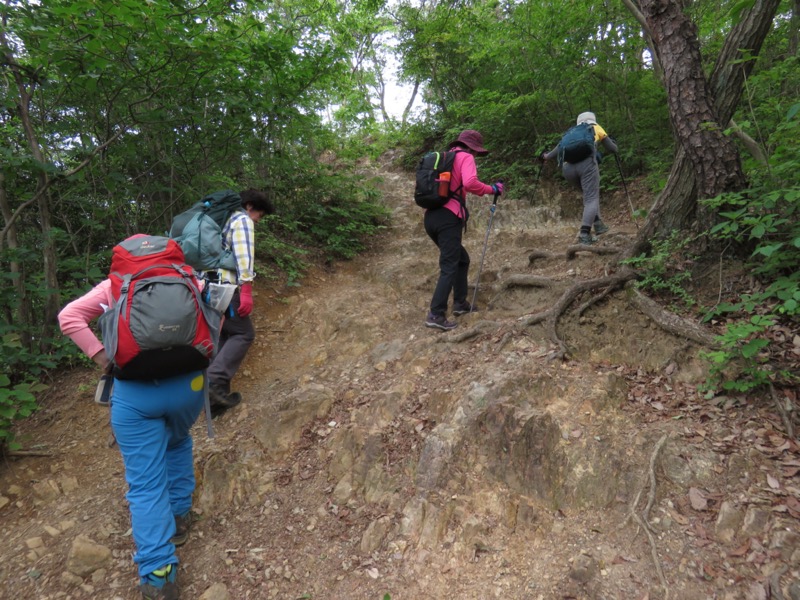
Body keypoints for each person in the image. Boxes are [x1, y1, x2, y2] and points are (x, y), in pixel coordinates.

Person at [59, 279, 204, 600]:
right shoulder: (185, 277)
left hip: (136, 393)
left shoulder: (114, 286)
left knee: (146, 483)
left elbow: (69, 317)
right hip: (189, 385)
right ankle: (179, 517)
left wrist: (103, 358)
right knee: (178, 440)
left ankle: (159, 575)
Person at [424, 129, 503, 331]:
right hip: (448, 218)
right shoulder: (465, 157)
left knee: (461, 259)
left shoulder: (445, 158)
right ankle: (436, 314)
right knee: (450, 264)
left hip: (431, 218)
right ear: (471, 148)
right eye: (476, 151)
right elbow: (470, 183)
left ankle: (460, 303)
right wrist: (492, 189)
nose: (476, 155)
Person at [206, 188, 275, 410]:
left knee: (226, 335)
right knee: (244, 334)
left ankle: (218, 400)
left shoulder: (222, 221)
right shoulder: (241, 220)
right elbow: (244, 257)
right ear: (249, 206)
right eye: (259, 215)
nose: (258, 221)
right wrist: (246, 289)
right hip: (228, 287)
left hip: (209, 287)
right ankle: (213, 380)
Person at [540, 111, 618, 245]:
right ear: (593, 120)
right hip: (587, 165)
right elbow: (612, 149)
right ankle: (584, 234)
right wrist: (613, 142)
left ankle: (598, 224)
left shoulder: (570, 133)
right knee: (591, 198)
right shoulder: (595, 127)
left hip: (567, 170)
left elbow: (555, 152)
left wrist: (544, 157)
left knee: (589, 196)